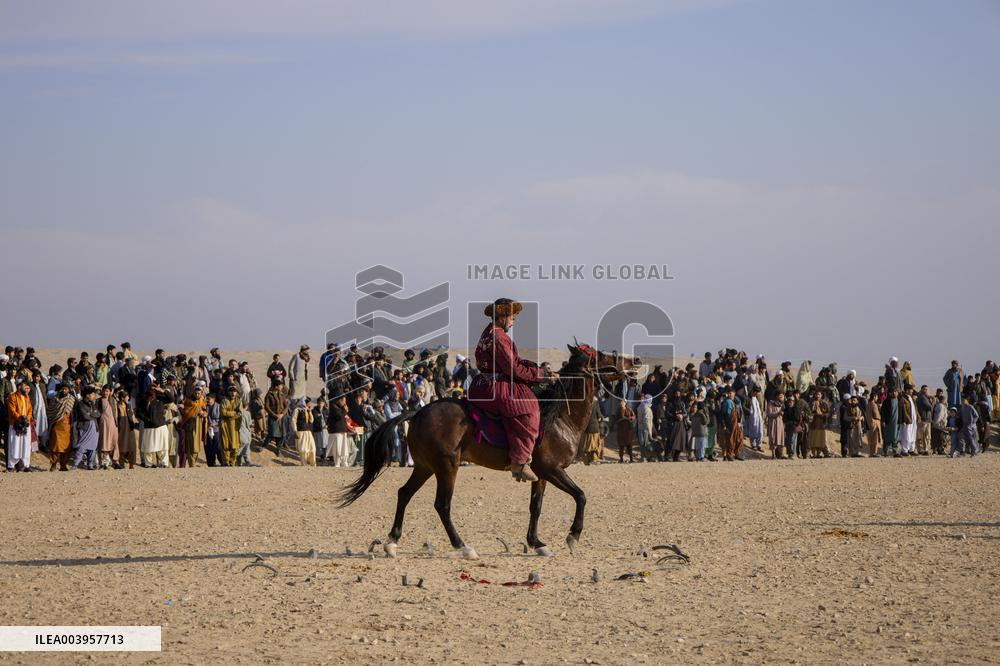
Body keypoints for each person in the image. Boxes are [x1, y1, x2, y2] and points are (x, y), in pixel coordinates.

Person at [466, 298, 546, 482]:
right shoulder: (499, 337)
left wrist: (534, 367)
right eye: (512, 317)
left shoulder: (489, 333)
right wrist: (539, 375)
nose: (513, 321)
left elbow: (513, 362)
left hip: (483, 385)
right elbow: (512, 368)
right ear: (502, 316)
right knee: (529, 408)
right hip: (496, 386)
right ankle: (519, 462)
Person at [6, 378, 34, 471]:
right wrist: (21, 418)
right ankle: (11, 466)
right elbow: (12, 410)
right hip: (15, 424)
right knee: (14, 444)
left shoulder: (26, 396)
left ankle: (26, 465)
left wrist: (27, 419)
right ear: (19, 386)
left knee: (26, 444)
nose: (26, 387)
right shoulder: (12, 396)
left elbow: (30, 409)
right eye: (24, 386)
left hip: (25, 423)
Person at [46, 382, 75, 471]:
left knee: (66, 448)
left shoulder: (71, 399)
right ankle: (53, 464)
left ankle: (63, 465)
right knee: (55, 446)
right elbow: (50, 410)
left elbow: (74, 412)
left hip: (67, 426)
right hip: (57, 425)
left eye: (66, 389)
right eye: (63, 389)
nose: (64, 390)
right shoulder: (55, 399)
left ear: (69, 390)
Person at [96, 384, 119, 469]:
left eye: (107, 391)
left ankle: (115, 461)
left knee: (114, 442)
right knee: (104, 441)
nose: (105, 393)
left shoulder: (113, 400)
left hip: (113, 423)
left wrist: (116, 423)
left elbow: (116, 412)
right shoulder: (99, 400)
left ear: (110, 392)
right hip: (103, 423)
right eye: (104, 391)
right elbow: (97, 412)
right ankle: (103, 462)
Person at [263, 380, 288, 456]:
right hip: (273, 417)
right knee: (272, 433)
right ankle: (264, 445)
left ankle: (278, 449)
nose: (282, 387)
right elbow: (267, 407)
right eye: (280, 385)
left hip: (282, 417)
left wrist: (282, 414)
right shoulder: (269, 395)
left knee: (283, 434)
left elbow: (286, 406)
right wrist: (275, 415)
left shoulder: (282, 394)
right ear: (276, 386)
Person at [219, 385, 242, 466]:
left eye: (234, 391)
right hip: (225, 425)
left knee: (235, 446)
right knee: (226, 445)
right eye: (231, 391)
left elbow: (240, 413)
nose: (233, 393)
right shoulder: (224, 401)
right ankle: (226, 462)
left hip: (235, 426)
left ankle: (232, 462)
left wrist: (231, 414)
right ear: (228, 392)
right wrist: (233, 413)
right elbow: (223, 412)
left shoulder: (238, 401)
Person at [294, 397, 317, 466]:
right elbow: (293, 420)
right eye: (309, 402)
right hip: (301, 432)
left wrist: (310, 411)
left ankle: (313, 463)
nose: (310, 404)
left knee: (312, 448)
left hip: (308, 432)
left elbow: (311, 420)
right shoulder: (297, 410)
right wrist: (295, 431)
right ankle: (304, 464)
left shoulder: (307, 410)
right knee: (303, 449)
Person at [880, 388, 901, 457]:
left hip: (897, 422)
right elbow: (883, 412)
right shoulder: (887, 401)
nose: (895, 393)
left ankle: (895, 452)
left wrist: (901, 420)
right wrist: (883, 420)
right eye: (893, 392)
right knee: (887, 437)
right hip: (888, 422)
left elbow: (901, 412)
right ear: (890, 393)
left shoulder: (899, 400)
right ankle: (886, 452)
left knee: (896, 437)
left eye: (896, 392)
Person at [204, 392, 222, 466]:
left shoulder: (219, 407)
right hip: (207, 430)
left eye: (208, 399)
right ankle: (210, 463)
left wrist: (216, 423)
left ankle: (223, 462)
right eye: (206, 399)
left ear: (213, 399)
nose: (207, 400)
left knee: (217, 447)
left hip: (216, 430)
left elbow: (222, 419)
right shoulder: (205, 407)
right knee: (208, 447)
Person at [915, 385, 933, 456]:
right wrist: (932, 401)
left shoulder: (922, 397)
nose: (926, 391)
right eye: (925, 389)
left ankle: (923, 449)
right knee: (924, 436)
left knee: (924, 436)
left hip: (925, 419)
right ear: (922, 390)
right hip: (924, 419)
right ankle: (924, 450)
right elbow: (929, 407)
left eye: (927, 389)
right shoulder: (922, 397)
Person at [766, 394, 785, 459]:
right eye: (780, 396)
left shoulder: (782, 404)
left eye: (782, 397)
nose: (781, 398)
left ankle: (781, 454)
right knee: (773, 437)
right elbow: (769, 414)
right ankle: (773, 455)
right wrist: (777, 413)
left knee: (780, 438)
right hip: (773, 423)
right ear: (776, 396)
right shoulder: (770, 403)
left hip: (780, 423)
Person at [899, 386, 917, 456]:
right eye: (911, 390)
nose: (912, 391)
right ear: (907, 390)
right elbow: (903, 410)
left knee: (913, 435)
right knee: (906, 435)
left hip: (913, 421)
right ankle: (904, 450)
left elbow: (914, 409)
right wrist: (904, 419)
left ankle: (911, 449)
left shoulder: (911, 398)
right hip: (907, 421)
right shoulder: (903, 399)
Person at [866, 392, 883, 457]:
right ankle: (874, 453)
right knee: (875, 439)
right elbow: (876, 415)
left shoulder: (868, 404)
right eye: (876, 397)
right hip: (875, 423)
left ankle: (871, 453)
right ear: (874, 397)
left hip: (869, 423)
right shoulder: (874, 405)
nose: (877, 398)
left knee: (871, 439)